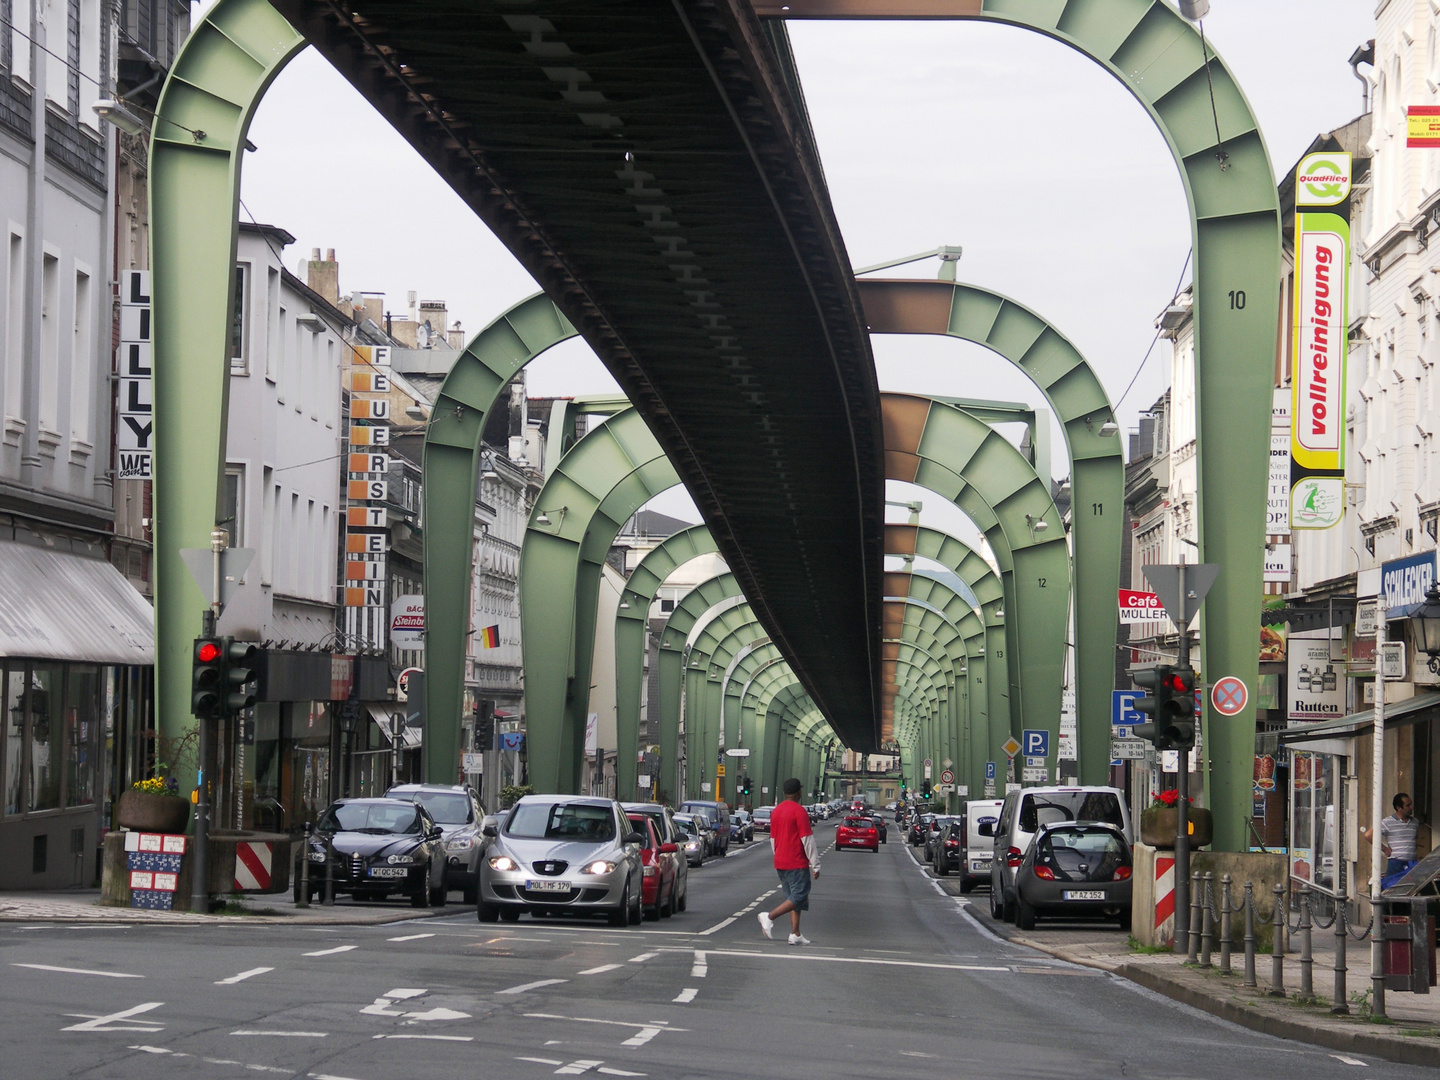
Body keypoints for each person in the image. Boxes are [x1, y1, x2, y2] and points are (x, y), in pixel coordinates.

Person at [758, 777, 820, 945]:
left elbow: (773, 839)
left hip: (781, 861)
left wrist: (778, 855)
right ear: (799, 792)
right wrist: (815, 864)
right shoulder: (799, 811)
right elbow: (807, 840)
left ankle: (795, 933)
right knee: (800, 895)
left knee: (793, 897)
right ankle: (769, 917)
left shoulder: (776, 811)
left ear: (785, 793)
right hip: (796, 862)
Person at [1361, 792, 1419, 878]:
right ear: (1399, 808)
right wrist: (1385, 849)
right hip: (1396, 863)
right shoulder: (1387, 822)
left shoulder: (1415, 822)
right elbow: (1368, 835)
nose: (1411, 808)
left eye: (1411, 804)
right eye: (1408, 805)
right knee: (1393, 888)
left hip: (1412, 862)